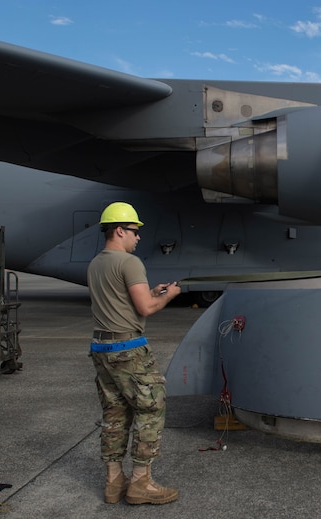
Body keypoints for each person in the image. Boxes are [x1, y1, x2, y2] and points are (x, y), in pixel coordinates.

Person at [88, 202, 183, 504]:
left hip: (101, 347)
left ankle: (114, 482)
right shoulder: (130, 263)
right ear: (119, 230)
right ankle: (142, 482)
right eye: (134, 231)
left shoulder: (96, 263)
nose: (138, 237)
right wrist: (169, 297)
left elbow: (121, 301)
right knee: (151, 409)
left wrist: (153, 292)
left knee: (114, 413)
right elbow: (146, 309)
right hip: (128, 350)